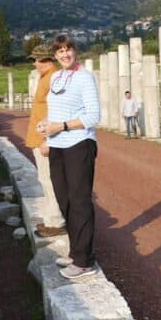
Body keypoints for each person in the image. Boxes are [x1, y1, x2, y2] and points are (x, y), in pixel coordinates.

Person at [37, 34, 101, 280]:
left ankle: (84, 261)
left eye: (68, 50)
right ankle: (76, 252)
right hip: (57, 144)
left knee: (80, 200)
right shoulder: (56, 77)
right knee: (64, 199)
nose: (65, 54)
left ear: (75, 51)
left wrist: (61, 126)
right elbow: (55, 110)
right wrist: (47, 129)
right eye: (60, 51)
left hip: (79, 143)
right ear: (55, 55)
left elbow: (93, 117)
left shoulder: (85, 77)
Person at [24, 44, 67, 238]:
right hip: (39, 137)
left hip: (46, 139)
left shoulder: (54, 79)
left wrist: (46, 139)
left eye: (36, 59)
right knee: (45, 178)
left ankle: (56, 221)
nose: (34, 63)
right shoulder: (45, 77)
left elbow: (56, 111)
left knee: (50, 179)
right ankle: (51, 219)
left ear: (46, 61)